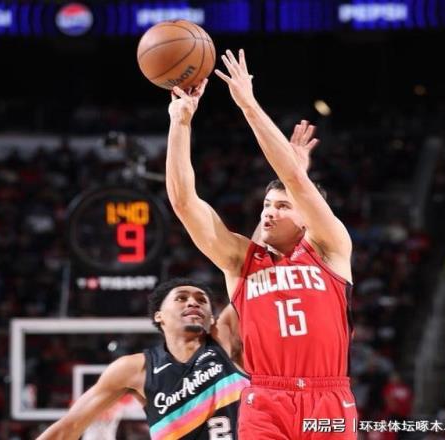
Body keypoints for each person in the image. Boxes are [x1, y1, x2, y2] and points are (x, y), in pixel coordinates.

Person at [166, 49, 356, 439]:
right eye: (266, 205)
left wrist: (248, 105)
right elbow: (184, 203)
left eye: (281, 206)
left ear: (306, 216)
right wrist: (180, 122)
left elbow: (296, 181)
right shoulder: (241, 261)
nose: (268, 212)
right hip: (266, 398)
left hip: (329, 396)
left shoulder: (331, 249)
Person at [36, 278, 249, 440]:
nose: (193, 302)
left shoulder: (225, 340)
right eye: (181, 298)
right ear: (159, 315)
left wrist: (265, 231)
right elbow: (69, 427)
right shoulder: (136, 368)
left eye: (202, 300)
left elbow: (246, 270)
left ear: (211, 318)